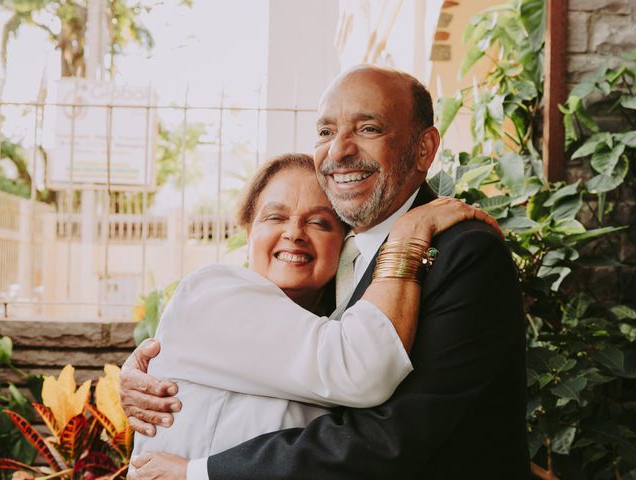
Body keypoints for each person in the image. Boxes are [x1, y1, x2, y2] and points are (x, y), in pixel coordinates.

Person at [123, 65, 530, 479]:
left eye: (369, 128)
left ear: (424, 149)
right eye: (324, 132)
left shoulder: (463, 252)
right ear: (246, 230)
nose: (339, 151)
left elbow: (391, 436)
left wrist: (200, 472)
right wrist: (148, 367)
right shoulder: (333, 273)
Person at [130, 153, 495, 469]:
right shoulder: (212, 292)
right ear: (248, 230)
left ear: (346, 244)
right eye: (275, 217)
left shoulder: (339, 324)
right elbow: (361, 366)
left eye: (320, 222)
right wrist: (409, 234)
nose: (295, 233)